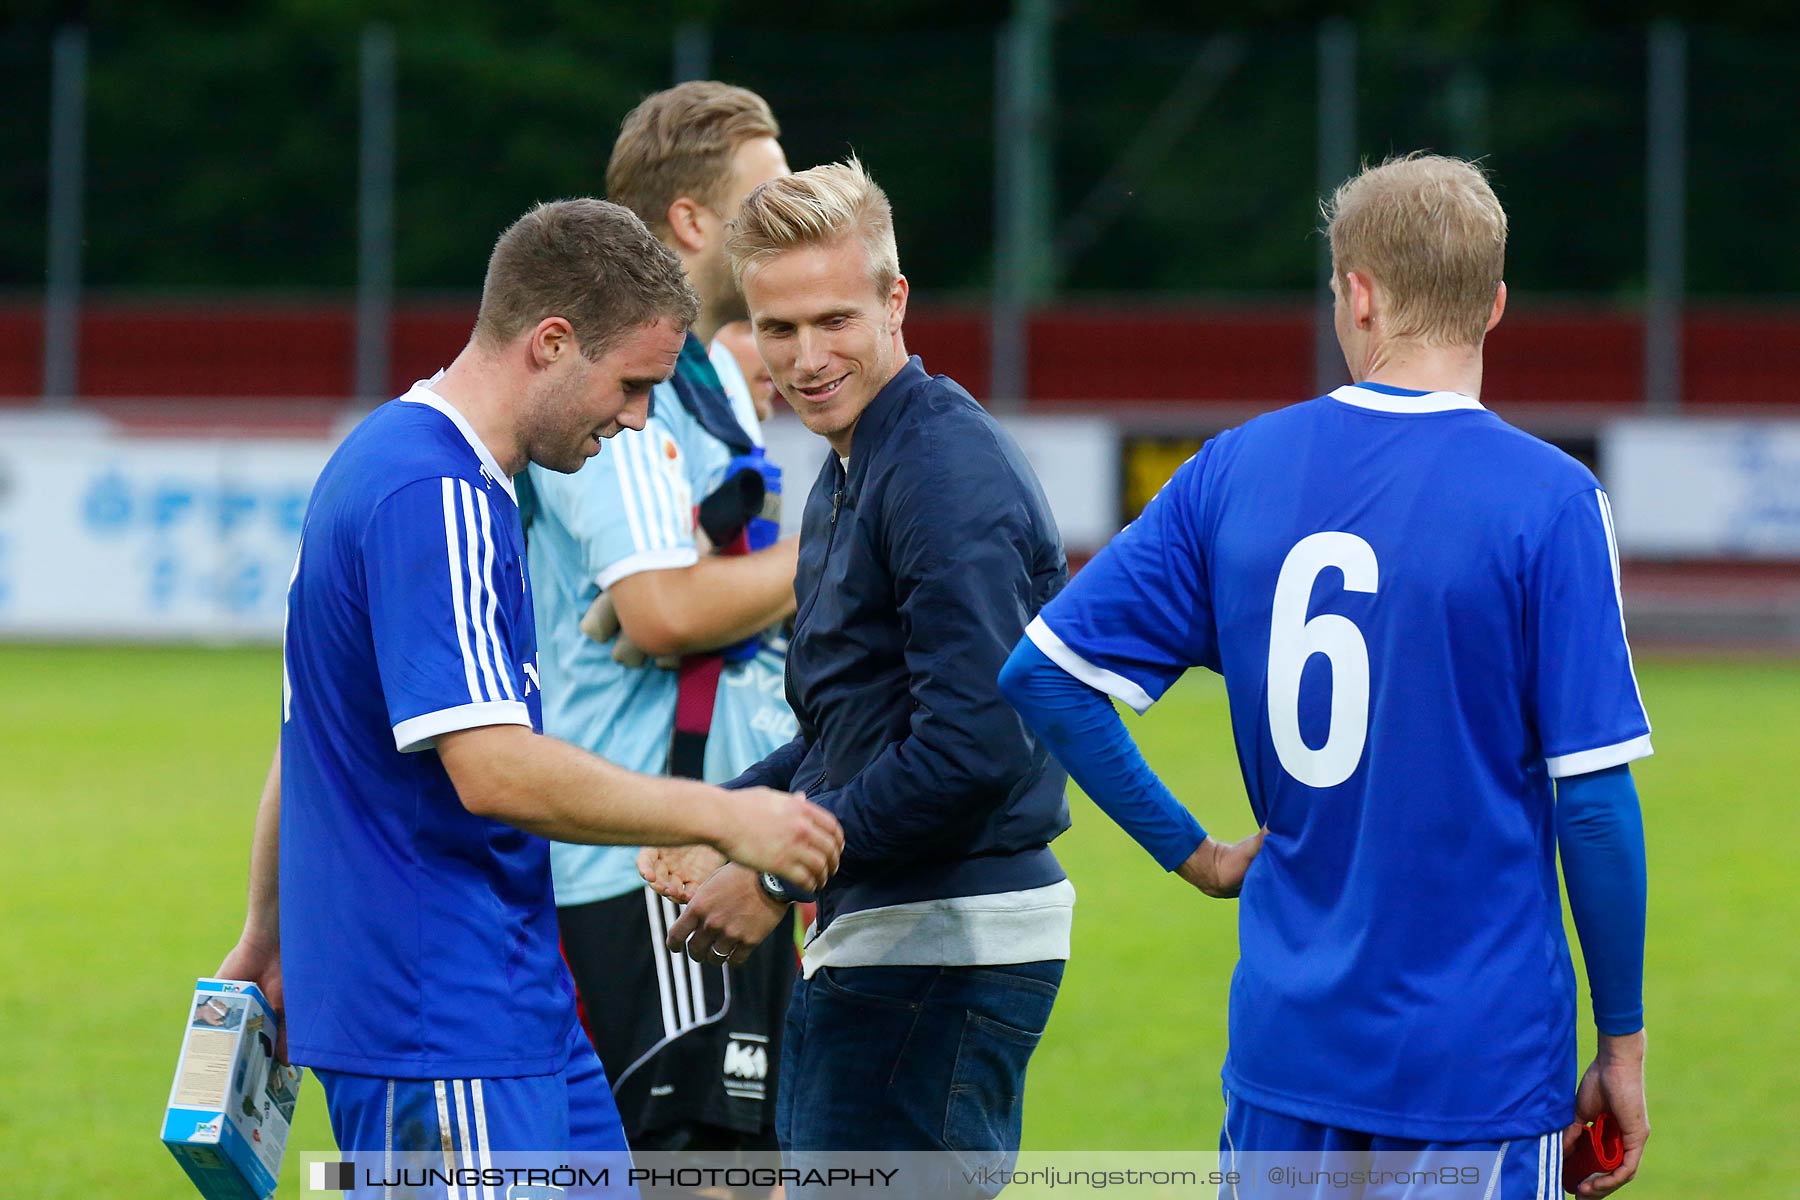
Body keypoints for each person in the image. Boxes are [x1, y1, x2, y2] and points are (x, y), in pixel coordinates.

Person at [998, 154, 1650, 1200]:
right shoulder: (1553, 501)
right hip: (1476, 1064)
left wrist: (1196, 853)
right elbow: (1598, 804)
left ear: (1356, 291)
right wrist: (1622, 1046)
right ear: (1494, 305)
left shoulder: (1230, 471)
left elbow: (1044, 675)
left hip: (1286, 1052)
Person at [215, 197, 841, 1168]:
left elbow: (306, 740)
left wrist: (267, 932)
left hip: (508, 1007)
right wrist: (720, 815)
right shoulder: (438, 494)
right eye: (633, 386)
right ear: (552, 343)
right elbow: (494, 771)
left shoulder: (388, 462)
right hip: (442, 1013)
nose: (636, 421)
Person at [662, 158, 1073, 1190]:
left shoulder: (941, 470)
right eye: (779, 328)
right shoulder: (852, 466)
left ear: (896, 301)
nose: (806, 357)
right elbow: (850, 730)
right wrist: (720, 813)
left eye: (834, 320)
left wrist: (772, 871)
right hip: (889, 937)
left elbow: (975, 743)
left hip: (943, 945)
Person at [522, 81, 802, 1158]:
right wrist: (833, 547)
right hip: (649, 852)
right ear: (691, 221)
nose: (787, 221)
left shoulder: (694, 377)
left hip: (713, 830)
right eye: (763, 200)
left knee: (749, 1167)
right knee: (698, 1173)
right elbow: (661, 607)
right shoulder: (623, 388)